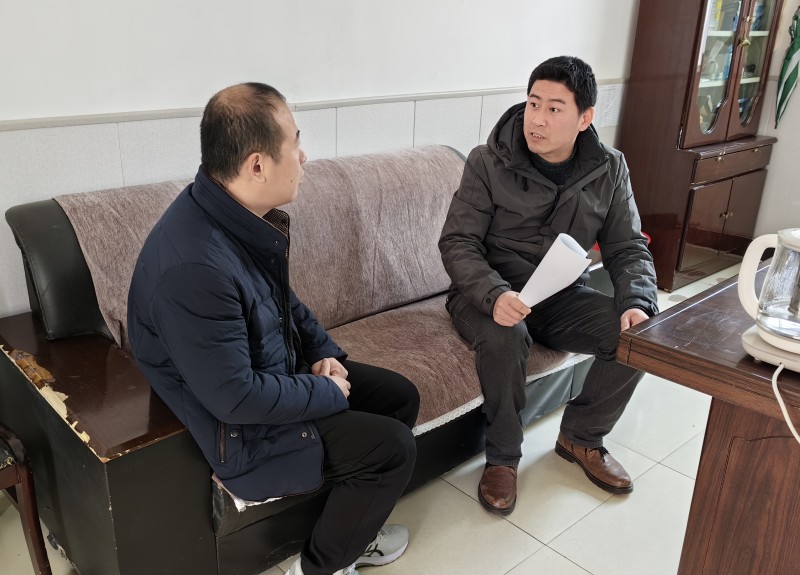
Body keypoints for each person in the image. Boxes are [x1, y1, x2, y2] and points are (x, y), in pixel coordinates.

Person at [127, 82, 419, 575]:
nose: (304, 157)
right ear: (257, 165)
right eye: (295, 142)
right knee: (392, 449)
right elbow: (235, 398)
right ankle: (319, 568)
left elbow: (285, 303)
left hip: (267, 372)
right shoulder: (194, 268)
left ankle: (351, 528)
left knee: (399, 397)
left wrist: (325, 355)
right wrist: (323, 391)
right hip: (236, 428)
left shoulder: (228, 212)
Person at [438, 56, 658, 516]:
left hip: (559, 296)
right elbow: (458, 242)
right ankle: (502, 458)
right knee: (506, 336)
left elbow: (627, 247)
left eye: (554, 108)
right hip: (484, 295)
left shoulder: (610, 168)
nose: (537, 118)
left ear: (585, 118)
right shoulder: (487, 161)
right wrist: (495, 295)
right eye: (533, 103)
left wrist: (638, 301)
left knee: (639, 336)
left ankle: (581, 437)